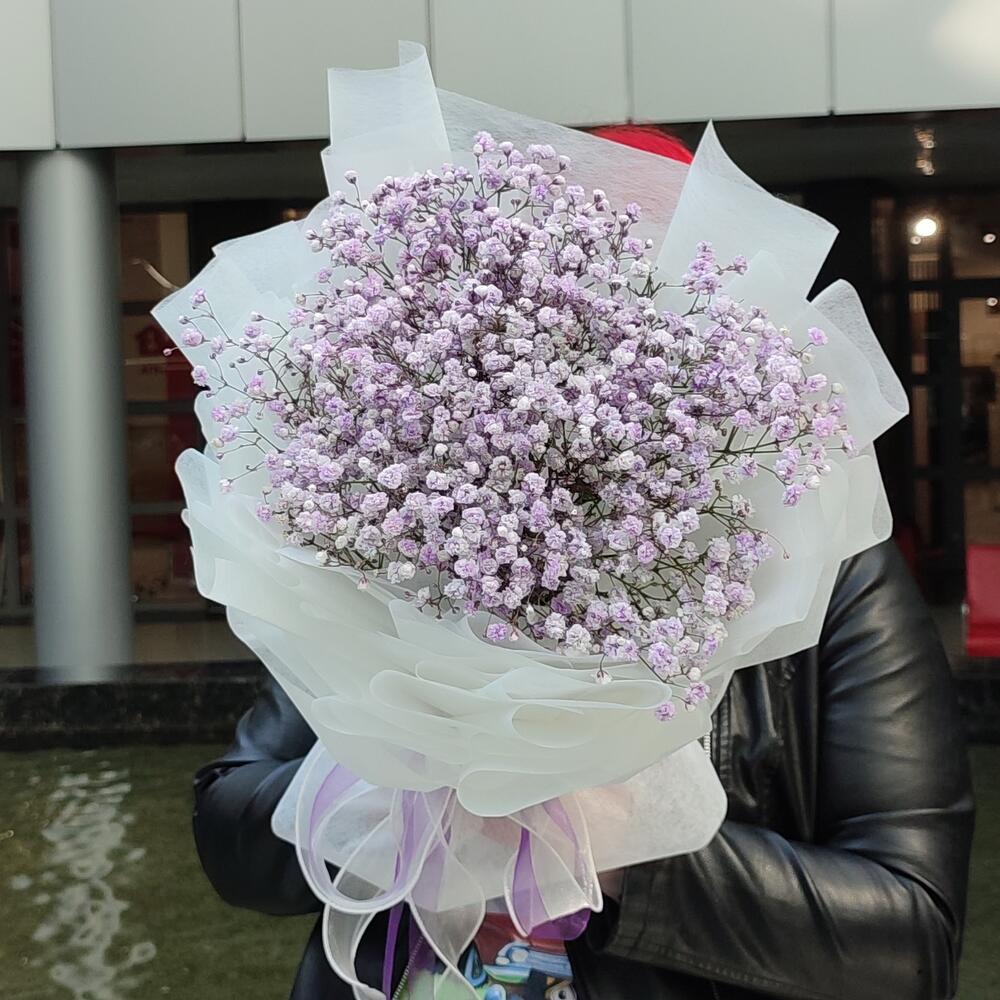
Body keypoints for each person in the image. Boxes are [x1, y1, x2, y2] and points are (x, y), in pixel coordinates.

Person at [191, 126, 974, 1000]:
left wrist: (608, 844)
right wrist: (398, 804)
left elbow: (913, 937)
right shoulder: (390, 543)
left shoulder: (832, 579)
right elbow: (228, 832)